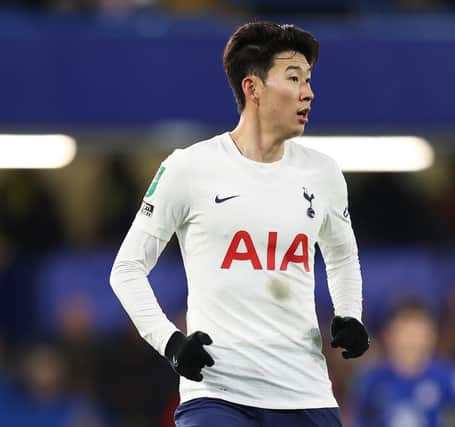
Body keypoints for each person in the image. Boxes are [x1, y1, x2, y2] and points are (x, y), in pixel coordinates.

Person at [109, 21, 369, 427]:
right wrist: (171, 344)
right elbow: (126, 271)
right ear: (253, 89)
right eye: (294, 77)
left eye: (309, 79)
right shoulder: (188, 168)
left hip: (306, 394)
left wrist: (350, 315)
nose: (308, 92)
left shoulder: (324, 174)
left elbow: (342, 256)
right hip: (218, 398)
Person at [352, 301, 455, 427]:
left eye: (419, 333)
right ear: (390, 336)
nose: (413, 341)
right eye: (407, 333)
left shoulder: (451, 377)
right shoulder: (371, 379)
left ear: (432, 337)